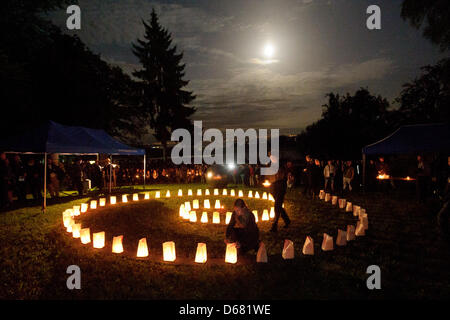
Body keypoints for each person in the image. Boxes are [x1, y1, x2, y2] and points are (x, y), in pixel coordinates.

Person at [270, 168, 291, 232]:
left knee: (277, 210)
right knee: (279, 209)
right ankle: (287, 221)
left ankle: (274, 226)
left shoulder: (282, 182)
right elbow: (273, 188)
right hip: (276, 196)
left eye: (278, 174)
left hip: (279, 196)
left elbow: (282, 190)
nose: (277, 175)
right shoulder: (277, 181)